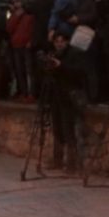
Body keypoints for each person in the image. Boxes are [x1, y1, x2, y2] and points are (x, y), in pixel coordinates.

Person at [42, 32, 88, 174]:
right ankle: (57, 160)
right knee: (57, 128)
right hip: (56, 96)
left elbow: (79, 73)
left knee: (68, 130)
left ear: (67, 42)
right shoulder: (54, 55)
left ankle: (71, 164)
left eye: (62, 41)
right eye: (57, 41)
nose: (59, 44)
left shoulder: (74, 54)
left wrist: (61, 66)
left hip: (69, 96)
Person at [6, 0, 35, 102]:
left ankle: (31, 93)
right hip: (16, 45)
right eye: (15, 2)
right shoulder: (13, 16)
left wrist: (31, 41)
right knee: (19, 70)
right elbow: (9, 28)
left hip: (26, 45)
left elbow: (33, 29)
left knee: (28, 70)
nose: (17, 4)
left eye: (18, 2)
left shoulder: (30, 15)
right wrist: (16, 16)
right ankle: (23, 93)